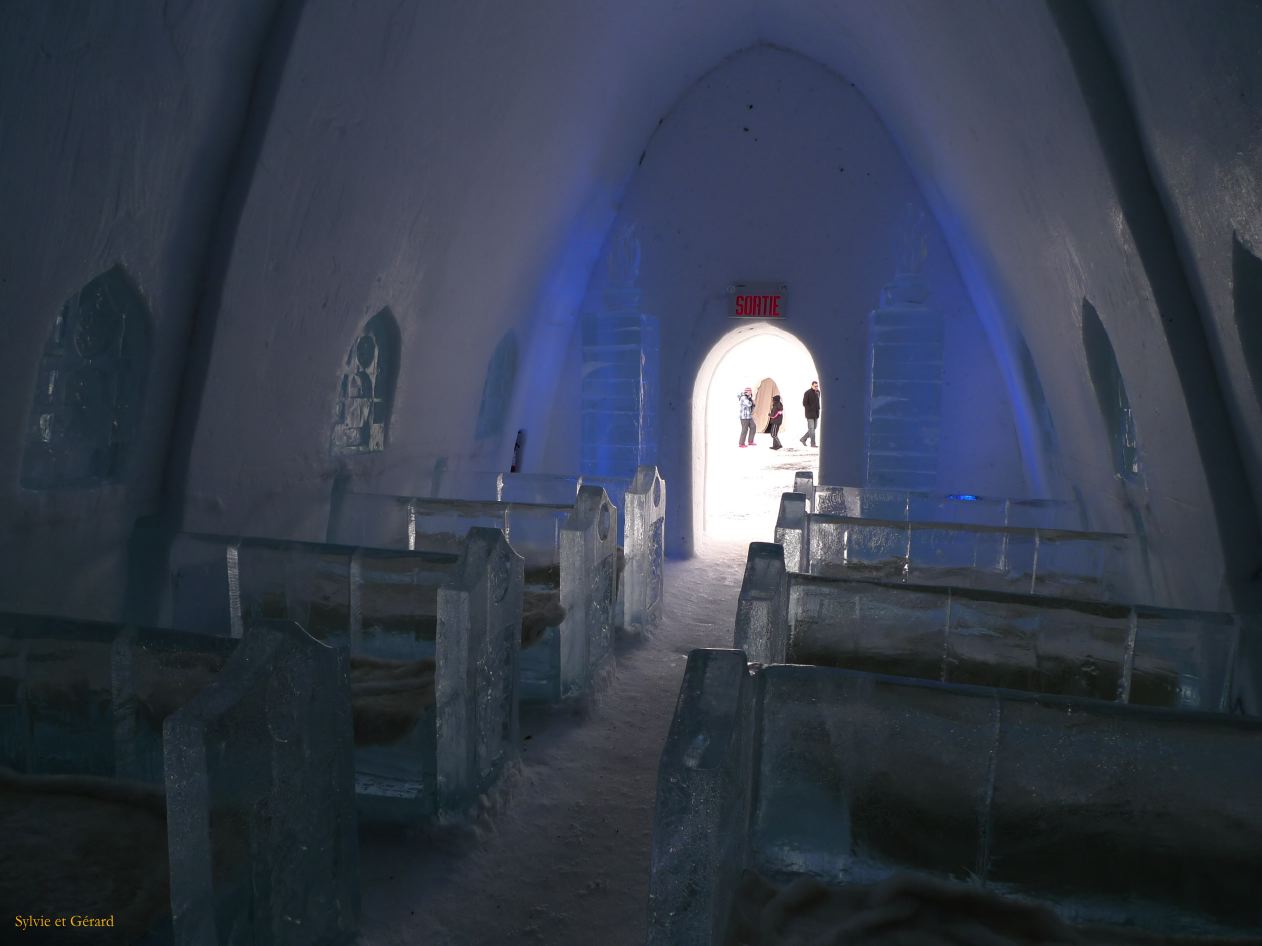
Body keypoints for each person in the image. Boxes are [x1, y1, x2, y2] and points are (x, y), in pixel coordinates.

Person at [800, 380, 820, 447]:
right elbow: (804, 403)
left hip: (816, 414)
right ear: (812, 385)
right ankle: (813, 443)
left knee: (813, 428)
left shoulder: (818, 392)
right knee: (811, 429)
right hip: (810, 414)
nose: (816, 387)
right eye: (815, 386)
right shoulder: (807, 393)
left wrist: (818, 409)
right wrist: (810, 409)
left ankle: (803, 439)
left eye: (817, 386)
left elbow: (817, 402)